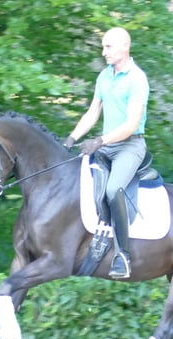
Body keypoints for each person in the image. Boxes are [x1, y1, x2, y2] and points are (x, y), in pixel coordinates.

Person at [63, 27, 150, 279]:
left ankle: (123, 255)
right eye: (103, 47)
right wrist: (71, 138)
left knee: (113, 190)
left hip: (130, 146)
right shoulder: (104, 76)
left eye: (108, 47)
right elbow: (92, 113)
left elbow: (131, 125)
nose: (103, 52)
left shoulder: (137, 79)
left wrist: (100, 140)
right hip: (105, 146)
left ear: (125, 46)